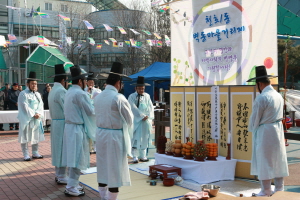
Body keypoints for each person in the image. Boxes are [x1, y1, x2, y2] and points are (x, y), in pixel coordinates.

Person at [247, 65, 289, 197]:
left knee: (264, 159)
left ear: (259, 84)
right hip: (277, 129)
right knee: (278, 158)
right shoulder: (278, 95)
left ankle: (266, 190)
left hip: (265, 131)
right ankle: (279, 188)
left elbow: (255, 120)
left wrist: (252, 129)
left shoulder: (261, 98)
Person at [94, 62, 133, 200]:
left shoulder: (97, 97)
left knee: (103, 166)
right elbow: (129, 119)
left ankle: (103, 196)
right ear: (118, 82)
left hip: (100, 134)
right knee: (114, 169)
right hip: (114, 136)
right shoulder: (118, 97)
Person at [62, 65, 96, 197]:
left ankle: (73, 184)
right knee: (77, 158)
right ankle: (71, 186)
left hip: (70, 127)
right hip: (76, 128)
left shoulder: (69, 91)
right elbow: (91, 111)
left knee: (73, 157)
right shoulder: (80, 93)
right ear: (81, 81)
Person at [48, 64, 69, 185]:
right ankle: (61, 175)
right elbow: (67, 108)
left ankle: (58, 173)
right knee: (62, 149)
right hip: (62, 123)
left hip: (56, 122)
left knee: (57, 149)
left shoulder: (52, 90)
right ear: (63, 80)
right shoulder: (61, 91)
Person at [18, 71, 44, 161]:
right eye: (32, 83)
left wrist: (39, 113)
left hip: (36, 118)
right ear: (27, 84)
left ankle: (35, 152)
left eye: (35, 84)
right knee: (24, 136)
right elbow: (24, 106)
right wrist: (33, 114)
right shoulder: (23, 94)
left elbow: (41, 105)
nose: (34, 85)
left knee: (35, 135)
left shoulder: (37, 94)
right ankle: (26, 154)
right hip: (26, 118)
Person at [128, 76, 154, 163]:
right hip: (136, 120)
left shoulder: (147, 96)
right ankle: (134, 156)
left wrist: (148, 116)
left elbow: (150, 107)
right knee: (135, 138)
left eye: (142, 88)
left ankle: (143, 155)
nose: (141, 90)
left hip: (145, 121)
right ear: (136, 88)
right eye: (139, 88)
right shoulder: (132, 96)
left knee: (144, 137)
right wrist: (141, 115)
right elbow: (132, 107)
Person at [84, 72, 101, 154]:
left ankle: (96, 147)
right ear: (86, 82)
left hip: (95, 114)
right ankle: (89, 148)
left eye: (92, 82)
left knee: (96, 130)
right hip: (88, 115)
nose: (91, 84)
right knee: (88, 131)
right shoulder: (83, 91)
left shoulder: (98, 91)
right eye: (90, 82)